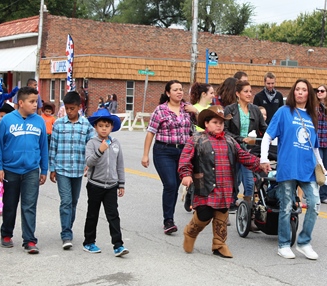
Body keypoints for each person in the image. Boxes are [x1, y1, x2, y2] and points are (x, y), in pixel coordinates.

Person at [178, 106, 269, 258]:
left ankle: (219, 245)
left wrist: (259, 163)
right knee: (204, 214)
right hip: (205, 185)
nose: (219, 125)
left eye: (221, 122)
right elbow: (185, 160)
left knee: (222, 214)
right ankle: (190, 232)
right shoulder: (196, 139)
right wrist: (186, 174)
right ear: (206, 124)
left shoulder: (230, 140)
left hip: (225, 185)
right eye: (215, 122)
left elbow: (243, 156)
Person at [260, 78, 322, 260]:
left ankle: (304, 242)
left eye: (304, 89)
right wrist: (264, 158)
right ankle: (284, 244)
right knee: (286, 207)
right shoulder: (283, 112)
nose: (300, 92)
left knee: (314, 204)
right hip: (287, 167)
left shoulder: (312, 116)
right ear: (293, 92)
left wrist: (322, 168)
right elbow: (267, 137)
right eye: (297, 89)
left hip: (308, 169)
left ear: (308, 94)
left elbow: (315, 147)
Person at [0, 86, 48, 254]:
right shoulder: (7, 120)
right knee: (10, 204)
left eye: (36, 101)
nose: (35, 105)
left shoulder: (39, 121)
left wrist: (44, 169)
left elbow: (43, 146)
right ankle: (6, 234)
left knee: (29, 205)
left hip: (31, 170)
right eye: (31, 102)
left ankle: (29, 240)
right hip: (10, 170)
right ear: (21, 102)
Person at [141, 80, 197, 234]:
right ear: (168, 93)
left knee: (176, 186)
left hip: (183, 153)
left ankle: (169, 217)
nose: (179, 92)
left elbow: (203, 124)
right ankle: (168, 220)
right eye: (175, 90)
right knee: (170, 184)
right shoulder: (160, 110)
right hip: (163, 151)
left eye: (181, 89)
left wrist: (195, 111)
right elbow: (151, 132)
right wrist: (145, 155)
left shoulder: (187, 109)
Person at [49, 91, 94, 250]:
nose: (69, 111)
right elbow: (53, 146)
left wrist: (90, 164)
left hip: (78, 170)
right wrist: (52, 168)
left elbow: (91, 146)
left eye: (72, 108)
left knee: (73, 202)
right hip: (62, 169)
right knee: (66, 201)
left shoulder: (86, 125)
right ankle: (66, 234)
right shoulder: (59, 124)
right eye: (67, 108)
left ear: (79, 107)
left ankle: (68, 224)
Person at [83, 108, 129, 256]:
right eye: (101, 125)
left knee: (113, 215)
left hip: (111, 186)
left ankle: (118, 245)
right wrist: (100, 150)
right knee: (92, 214)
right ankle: (89, 242)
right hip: (95, 184)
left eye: (107, 126)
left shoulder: (116, 143)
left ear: (111, 127)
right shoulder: (92, 143)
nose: (104, 128)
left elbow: (120, 165)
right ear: (96, 127)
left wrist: (121, 183)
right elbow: (89, 162)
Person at [224, 80, 267, 209]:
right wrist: (241, 139)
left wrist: (273, 137)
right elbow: (224, 131)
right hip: (232, 150)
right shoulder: (229, 109)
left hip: (248, 152)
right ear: (238, 93)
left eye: (250, 91)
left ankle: (249, 211)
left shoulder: (255, 110)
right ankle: (227, 208)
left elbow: (265, 129)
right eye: (246, 91)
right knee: (233, 181)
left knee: (249, 182)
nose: (249, 94)